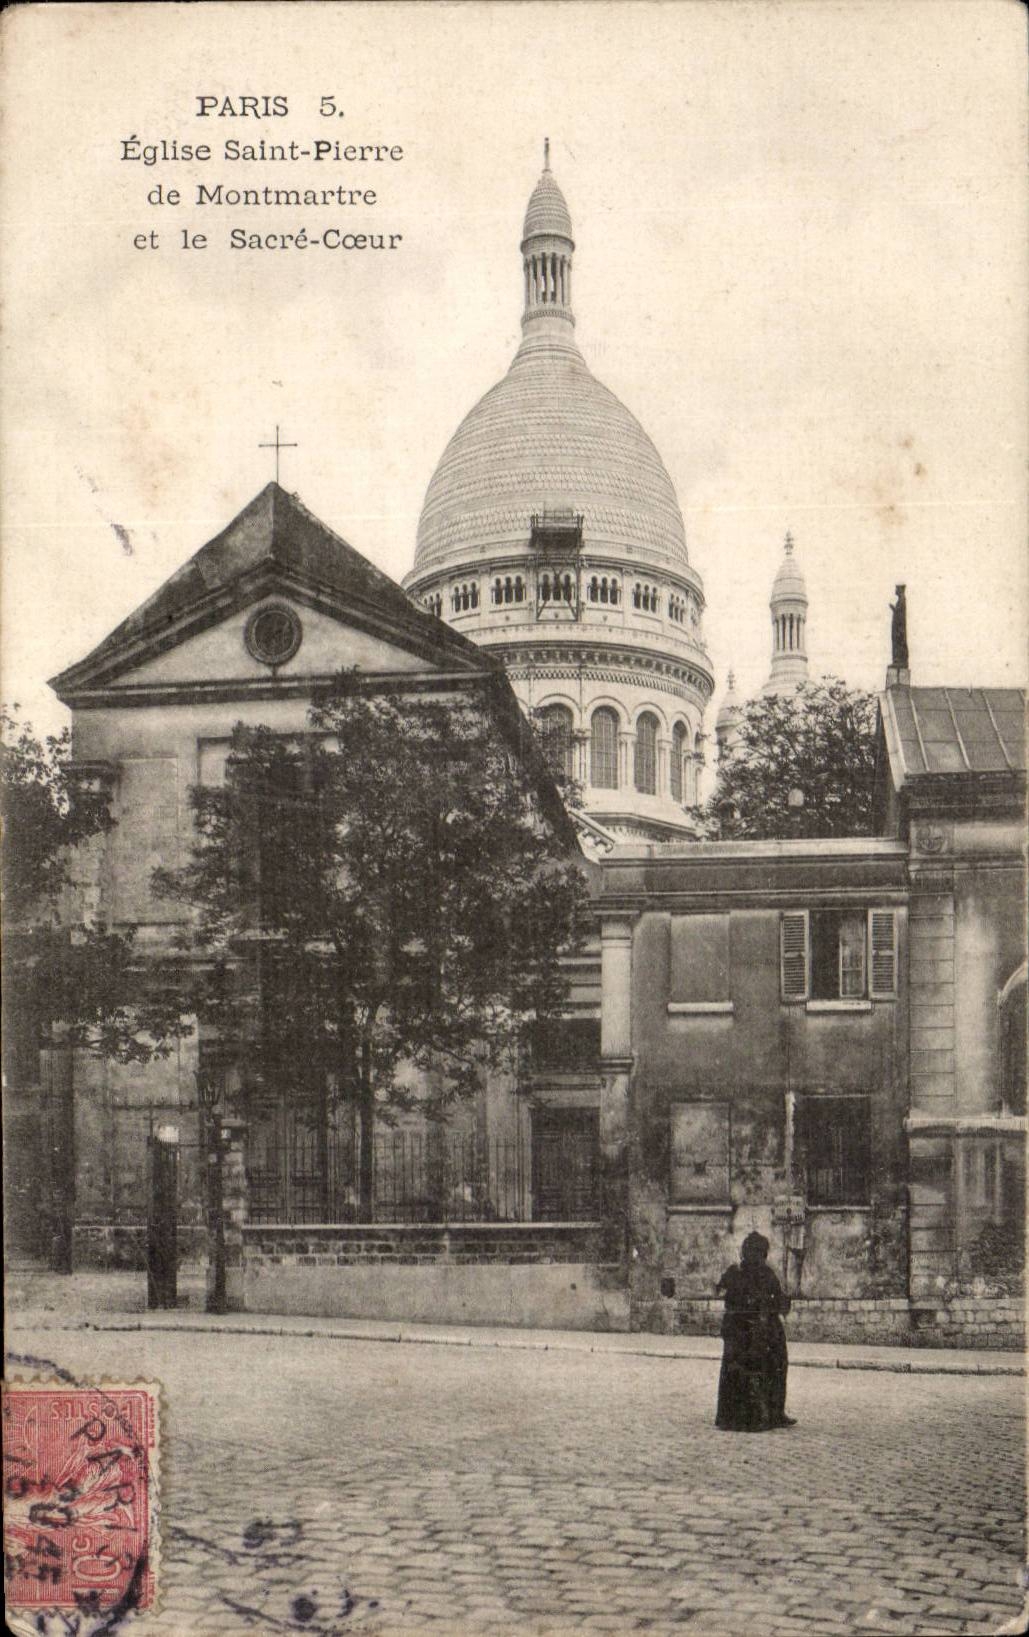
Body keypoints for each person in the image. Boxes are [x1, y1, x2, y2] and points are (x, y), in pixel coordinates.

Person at [714, 1230, 796, 1431]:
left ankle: (766, 1413)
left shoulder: (745, 1274)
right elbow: (772, 1303)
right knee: (761, 1368)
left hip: (751, 1332)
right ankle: (763, 1415)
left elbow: (775, 1301)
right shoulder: (752, 1274)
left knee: (760, 1368)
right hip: (753, 1332)